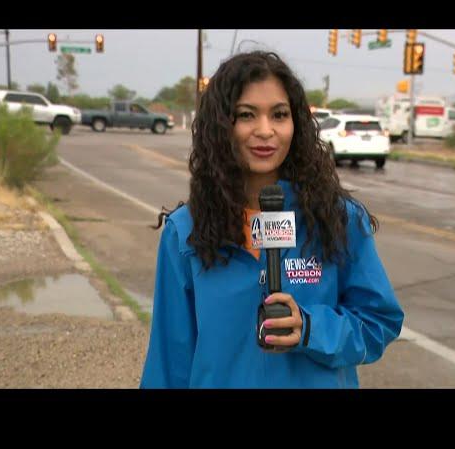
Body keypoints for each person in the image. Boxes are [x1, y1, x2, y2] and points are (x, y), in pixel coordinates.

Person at [140, 51, 404, 389]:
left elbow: (378, 321)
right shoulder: (186, 233)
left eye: (279, 115)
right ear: (222, 125)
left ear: (296, 124)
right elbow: (168, 363)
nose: (265, 131)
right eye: (247, 115)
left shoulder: (337, 220)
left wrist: (311, 328)